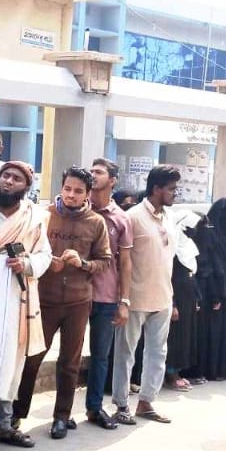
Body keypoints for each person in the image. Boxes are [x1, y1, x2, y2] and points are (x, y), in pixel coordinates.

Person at [13, 165, 110, 439]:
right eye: (67, 189)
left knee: (70, 362)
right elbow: (23, 249)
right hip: (43, 300)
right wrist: (45, 263)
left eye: (78, 191)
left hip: (78, 302)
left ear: (88, 194)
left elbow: (105, 261)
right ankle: (16, 415)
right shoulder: (43, 215)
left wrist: (83, 264)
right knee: (32, 358)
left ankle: (61, 417)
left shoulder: (96, 223)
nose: (71, 195)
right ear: (61, 188)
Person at [0, 161, 49, 447]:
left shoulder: (33, 219)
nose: (8, 181)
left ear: (26, 187)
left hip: (15, 299)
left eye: (16, 179)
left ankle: (5, 426)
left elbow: (45, 255)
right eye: (5, 176)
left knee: (9, 362)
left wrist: (26, 263)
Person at [112, 165, 180, 425]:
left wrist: (172, 299)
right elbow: (121, 261)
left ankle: (146, 402)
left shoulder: (170, 217)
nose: (175, 193)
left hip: (163, 297)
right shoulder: (133, 217)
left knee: (157, 353)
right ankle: (121, 404)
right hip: (134, 298)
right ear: (156, 189)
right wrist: (123, 299)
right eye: (171, 189)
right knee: (125, 353)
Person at [83, 157, 131, 429]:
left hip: (106, 296)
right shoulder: (77, 209)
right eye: (91, 171)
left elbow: (126, 263)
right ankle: (61, 414)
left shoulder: (121, 218)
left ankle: (94, 407)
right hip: (75, 294)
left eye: (99, 172)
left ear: (112, 180)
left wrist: (124, 301)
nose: (93, 175)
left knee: (100, 356)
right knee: (68, 355)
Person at [194, 197, 226, 380]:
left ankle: (221, 369)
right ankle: (207, 370)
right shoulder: (208, 233)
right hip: (212, 288)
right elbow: (211, 265)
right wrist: (221, 291)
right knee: (209, 331)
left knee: (224, 331)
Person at [166, 206, 202, 387]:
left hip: (188, 296)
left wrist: (196, 297)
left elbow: (191, 274)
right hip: (176, 297)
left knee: (185, 336)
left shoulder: (188, 246)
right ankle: (170, 375)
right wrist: (172, 304)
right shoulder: (173, 248)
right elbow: (169, 276)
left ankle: (178, 371)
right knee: (175, 337)